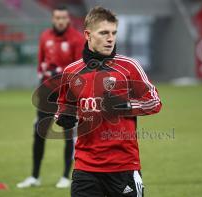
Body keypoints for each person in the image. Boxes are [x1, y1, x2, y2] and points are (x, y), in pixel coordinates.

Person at [55, 6, 162, 197]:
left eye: (113, 33)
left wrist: (126, 106)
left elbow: (154, 101)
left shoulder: (129, 67)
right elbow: (64, 107)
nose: (110, 38)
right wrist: (62, 116)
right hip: (85, 166)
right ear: (88, 35)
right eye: (104, 33)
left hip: (123, 166)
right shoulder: (71, 72)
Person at [17, 5, 85, 188]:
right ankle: (34, 177)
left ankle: (65, 176)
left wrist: (58, 72)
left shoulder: (77, 39)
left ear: (68, 19)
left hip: (68, 93)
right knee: (39, 132)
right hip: (47, 93)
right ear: (53, 19)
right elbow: (41, 64)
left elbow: (79, 70)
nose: (60, 21)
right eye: (57, 18)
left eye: (63, 18)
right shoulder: (45, 36)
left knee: (68, 133)